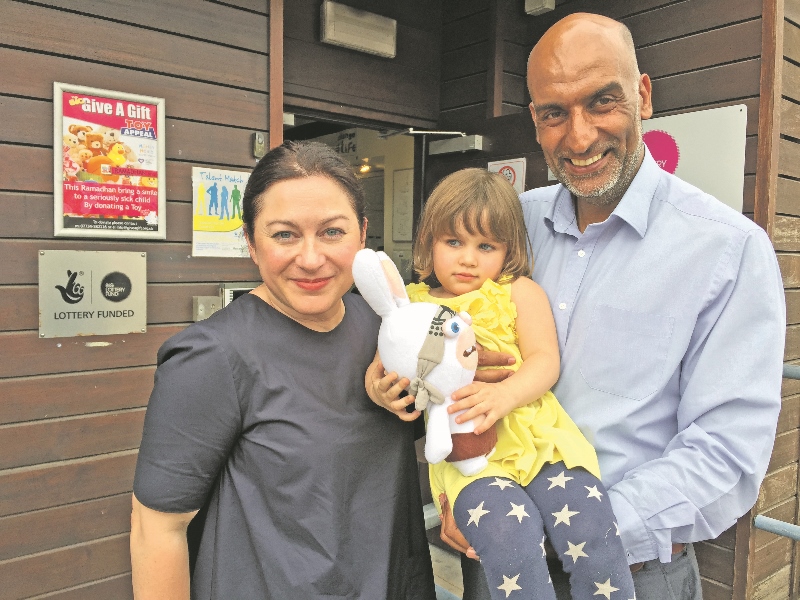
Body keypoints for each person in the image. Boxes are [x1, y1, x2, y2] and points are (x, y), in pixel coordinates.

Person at [437, 12, 786, 600]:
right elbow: (441, 344)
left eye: (602, 102)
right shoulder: (510, 226)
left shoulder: (726, 249)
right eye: (555, 113)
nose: (578, 137)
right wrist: (459, 487)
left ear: (643, 96)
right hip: (497, 558)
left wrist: (574, 529)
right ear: (536, 120)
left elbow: (726, 452)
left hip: (635, 572)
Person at [130, 141, 436, 600]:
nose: (311, 258)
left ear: (363, 235)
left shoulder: (385, 328)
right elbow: (156, 529)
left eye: (332, 232)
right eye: (285, 235)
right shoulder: (213, 356)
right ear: (251, 243)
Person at [370, 168, 635, 600]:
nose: (468, 258)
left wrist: (505, 393)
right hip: (470, 456)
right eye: (453, 242)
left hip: (540, 439)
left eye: (485, 246)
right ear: (428, 242)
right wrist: (381, 392)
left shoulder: (518, 292)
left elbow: (545, 359)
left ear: (507, 250)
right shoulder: (412, 307)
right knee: (507, 541)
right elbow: (383, 369)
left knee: (591, 527)